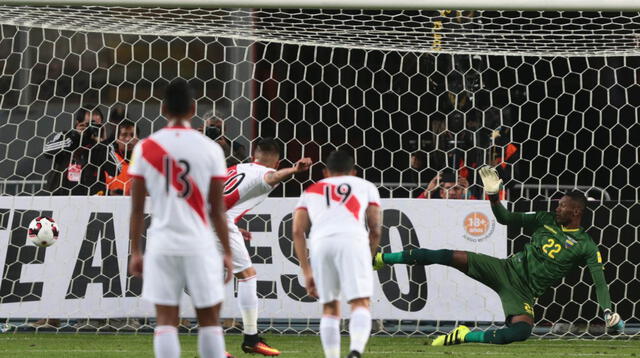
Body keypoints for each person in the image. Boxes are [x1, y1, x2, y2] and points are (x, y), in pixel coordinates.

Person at [373, 166, 624, 346]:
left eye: (562, 206)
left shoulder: (586, 245)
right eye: (558, 204)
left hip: (523, 292)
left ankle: (464, 335)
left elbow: (598, 280)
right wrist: (493, 196)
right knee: (446, 255)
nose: (557, 208)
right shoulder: (543, 219)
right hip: (504, 269)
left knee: (521, 332)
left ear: (576, 211)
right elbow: (505, 219)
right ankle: (383, 259)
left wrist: (607, 311)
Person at [128, 79, 234, 358]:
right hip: (199, 244)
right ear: (193, 108)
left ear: (163, 109)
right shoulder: (211, 149)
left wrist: (135, 251)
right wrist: (227, 251)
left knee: (165, 320)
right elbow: (217, 208)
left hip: (163, 243)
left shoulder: (145, 148)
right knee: (210, 319)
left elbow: (137, 208)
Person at [222, 138, 312, 356]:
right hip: (217, 223)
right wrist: (294, 170)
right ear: (277, 161)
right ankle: (251, 339)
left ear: (254, 155)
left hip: (201, 220)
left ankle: (213, 346)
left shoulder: (234, 168)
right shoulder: (263, 174)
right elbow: (272, 176)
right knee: (247, 276)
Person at [293, 150, 382, 358]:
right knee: (360, 302)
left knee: (330, 306)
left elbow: (297, 230)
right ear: (354, 172)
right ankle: (355, 351)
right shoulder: (366, 187)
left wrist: (306, 272)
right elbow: (375, 229)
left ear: (325, 172)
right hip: (353, 241)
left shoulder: (311, 190)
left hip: (321, 243)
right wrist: (367, 257)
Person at [42, 105, 109, 196]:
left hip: (91, 201)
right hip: (62, 199)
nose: (92, 129)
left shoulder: (102, 145)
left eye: (96, 125)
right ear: (78, 123)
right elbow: (46, 151)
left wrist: (103, 143)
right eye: (88, 124)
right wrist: (74, 137)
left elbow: (116, 170)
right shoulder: (65, 136)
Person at [104, 119, 139, 195]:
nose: (128, 139)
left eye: (132, 135)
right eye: (124, 135)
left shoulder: (143, 162)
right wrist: (109, 193)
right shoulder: (108, 160)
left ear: (138, 139)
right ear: (116, 139)